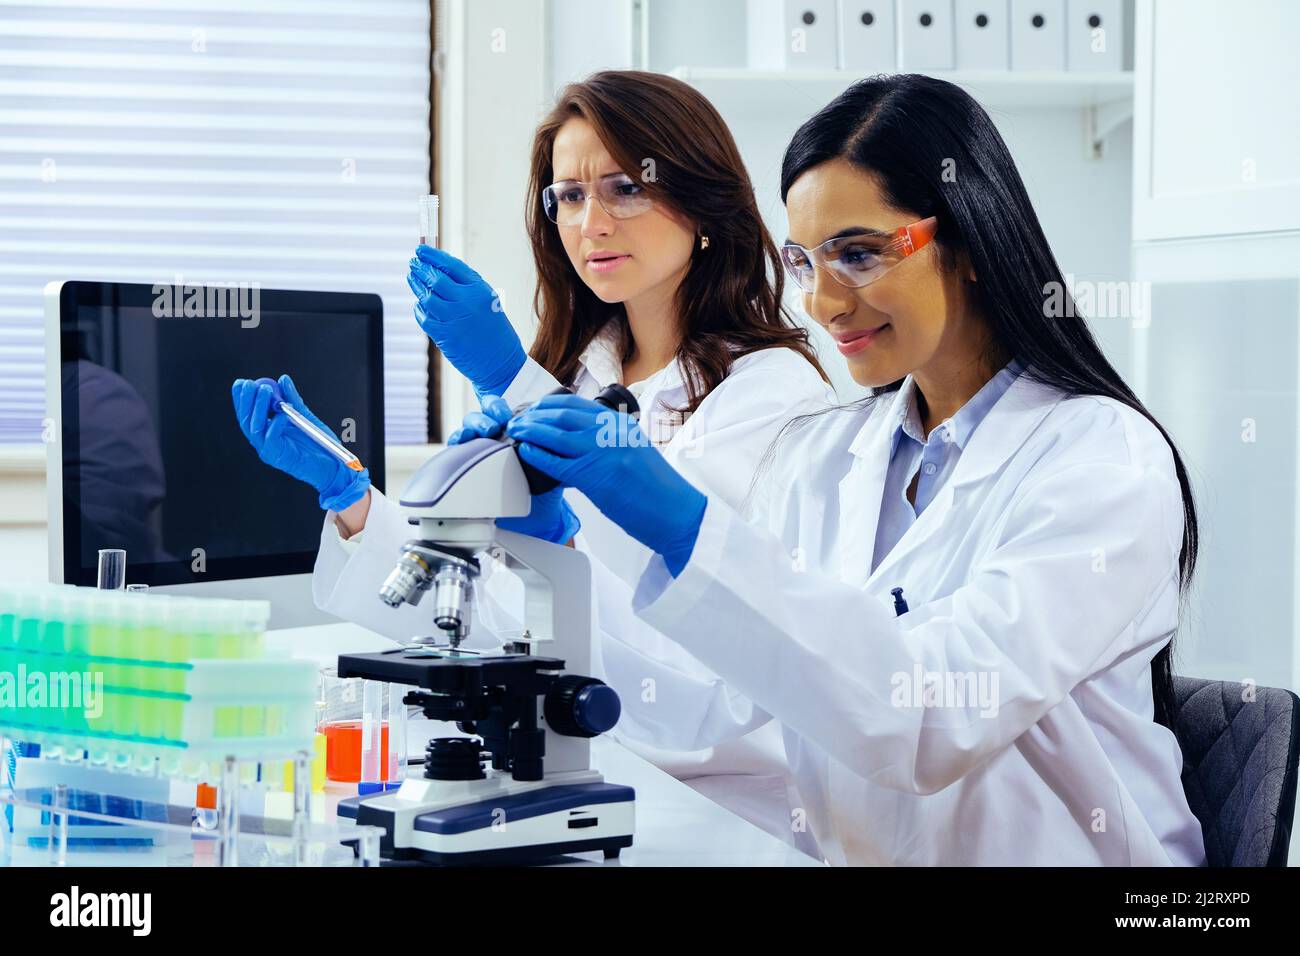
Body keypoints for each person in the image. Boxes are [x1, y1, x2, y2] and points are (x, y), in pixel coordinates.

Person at [469, 74, 1207, 865]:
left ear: (971, 242)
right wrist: (554, 566)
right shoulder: (822, 456)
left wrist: (689, 530)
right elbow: (711, 710)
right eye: (806, 261)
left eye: (858, 253)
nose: (823, 302)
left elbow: (933, 719)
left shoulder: (1102, 459)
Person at [232, 70, 834, 846]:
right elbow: (472, 611)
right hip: (571, 763)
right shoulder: (582, 369)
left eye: (624, 188)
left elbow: (687, 648)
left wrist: (515, 388)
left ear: (703, 204)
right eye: (569, 197)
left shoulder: (771, 397)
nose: (591, 223)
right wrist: (349, 496)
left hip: (716, 804)